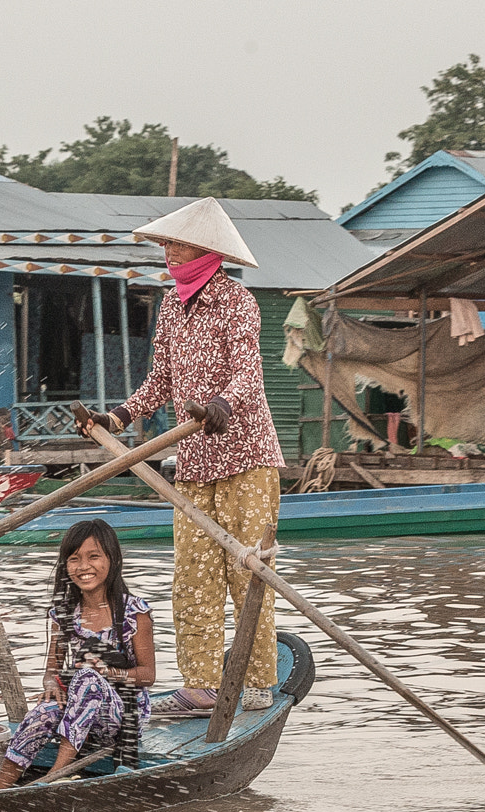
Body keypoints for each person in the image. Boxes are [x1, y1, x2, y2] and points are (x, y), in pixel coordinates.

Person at [78, 196, 284, 717]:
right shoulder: (172, 304)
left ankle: (256, 683)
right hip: (193, 461)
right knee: (193, 580)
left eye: (176, 243)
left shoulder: (237, 301)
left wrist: (222, 404)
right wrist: (117, 419)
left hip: (245, 455)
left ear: (205, 249)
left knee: (248, 574)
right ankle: (201, 685)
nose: (168, 252)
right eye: (165, 243)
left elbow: (247, 374)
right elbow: (162, 380)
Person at [0, 520, 155, 786]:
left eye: (94, 557)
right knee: (44, 710)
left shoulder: (134, 612)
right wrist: (50, 685)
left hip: (121, 715)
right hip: (79, 707)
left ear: (112, 560)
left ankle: (55, 775)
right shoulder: (64, 613)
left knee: (88, 679)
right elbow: (52, 669)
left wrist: (107, 673)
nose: (83, 567)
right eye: (74, 559)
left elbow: (147, 675)